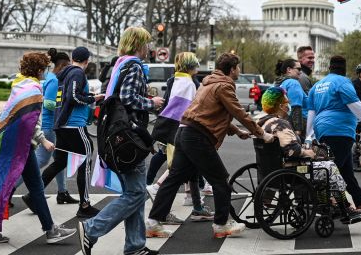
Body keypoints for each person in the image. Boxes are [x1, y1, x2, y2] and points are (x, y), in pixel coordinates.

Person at [146, 52, 272, 240]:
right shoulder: (223, 86)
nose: (238, 71)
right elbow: (239, 112)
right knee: (220, 180)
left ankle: (153, 223)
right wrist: (261, 133)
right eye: (237, 67)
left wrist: (237, 131)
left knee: (173, 179)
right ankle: (221, 224)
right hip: (197, 137)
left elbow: (210, 112)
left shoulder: (209, 83)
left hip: (184, 132)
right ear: (232, 69)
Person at [78, 27, 164, 255]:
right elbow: (127, 98)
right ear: (138, 44)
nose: (149, 48)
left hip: (117, 137)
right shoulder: (134, 65)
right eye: (146, 43)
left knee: (133, 193)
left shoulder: (120, 64)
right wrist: (151, 103)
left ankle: (135, 247)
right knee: (135, 194)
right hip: (130, 137)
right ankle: (92, 228)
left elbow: (116, 96)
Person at [0, 51, 76, 244]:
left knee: (26, 187)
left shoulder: (20, 84)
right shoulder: (33, 88)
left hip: (11, 142)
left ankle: (47, 229)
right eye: (45, 68)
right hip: (21, 145)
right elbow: (29, 122)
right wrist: (43, 140)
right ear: (39, 69)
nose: (46, 72)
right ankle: (50, 230)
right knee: (25, 187)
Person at [258, 87, 361, 224]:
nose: (288, 104)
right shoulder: (280, 124)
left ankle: (330, 202)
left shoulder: (263, 122)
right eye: (286, 102)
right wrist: (311, 153)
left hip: (271, 168)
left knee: (322, 163)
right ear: (279, 106)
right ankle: (344, 206)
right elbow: (292, 151)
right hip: (291, 170)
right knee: (329, 166)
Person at [305, 55, 361, 213]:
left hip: (322, 129)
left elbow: (311, 112)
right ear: (344, 69)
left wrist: (309, 136)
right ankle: (336, 204)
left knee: (345, 168)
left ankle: (360, 199)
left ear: (330, 68)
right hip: (340, 130)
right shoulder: (343, 82)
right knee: (333, 170)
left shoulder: (318, 85)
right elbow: (355, 105)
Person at [146, 52, 212, 226]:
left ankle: (197, 207)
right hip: (181, 131)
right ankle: (159, 200)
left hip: (173, 130)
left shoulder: (176, 80)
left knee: (191, 169)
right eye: (196, 63)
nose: (198, 66)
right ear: (191, 65)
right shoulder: (188, 84)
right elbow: (189, 110)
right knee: (176, 173)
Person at [39, 46, 103, 218]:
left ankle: (35, 195)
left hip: (61, 124)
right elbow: (73, 96)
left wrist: (86, 94)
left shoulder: (63, 74)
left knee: (59, 162)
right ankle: (85, 204)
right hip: (73, 124)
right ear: (86, 61)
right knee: (86, 158)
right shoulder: (77, 73)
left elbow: (69, 95)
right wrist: (92, 98)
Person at [36, 48, 79, 205]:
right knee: (40, 161)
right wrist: (64, 107)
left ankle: (62, 192)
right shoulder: (54, 79)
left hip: (52, 125)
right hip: (50, 126)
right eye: (68, 66)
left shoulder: (50, 77)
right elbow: (47, 102)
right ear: (62, 65)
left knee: (60, 159)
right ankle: (11, 191)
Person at [274, 58, 307, 136]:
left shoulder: (279, 84)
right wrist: (298, 130)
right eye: (298, 69)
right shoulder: (293, 83)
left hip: (283, 124)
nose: (301, 72)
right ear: (289, 69)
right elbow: (296, 107)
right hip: (297, 125)